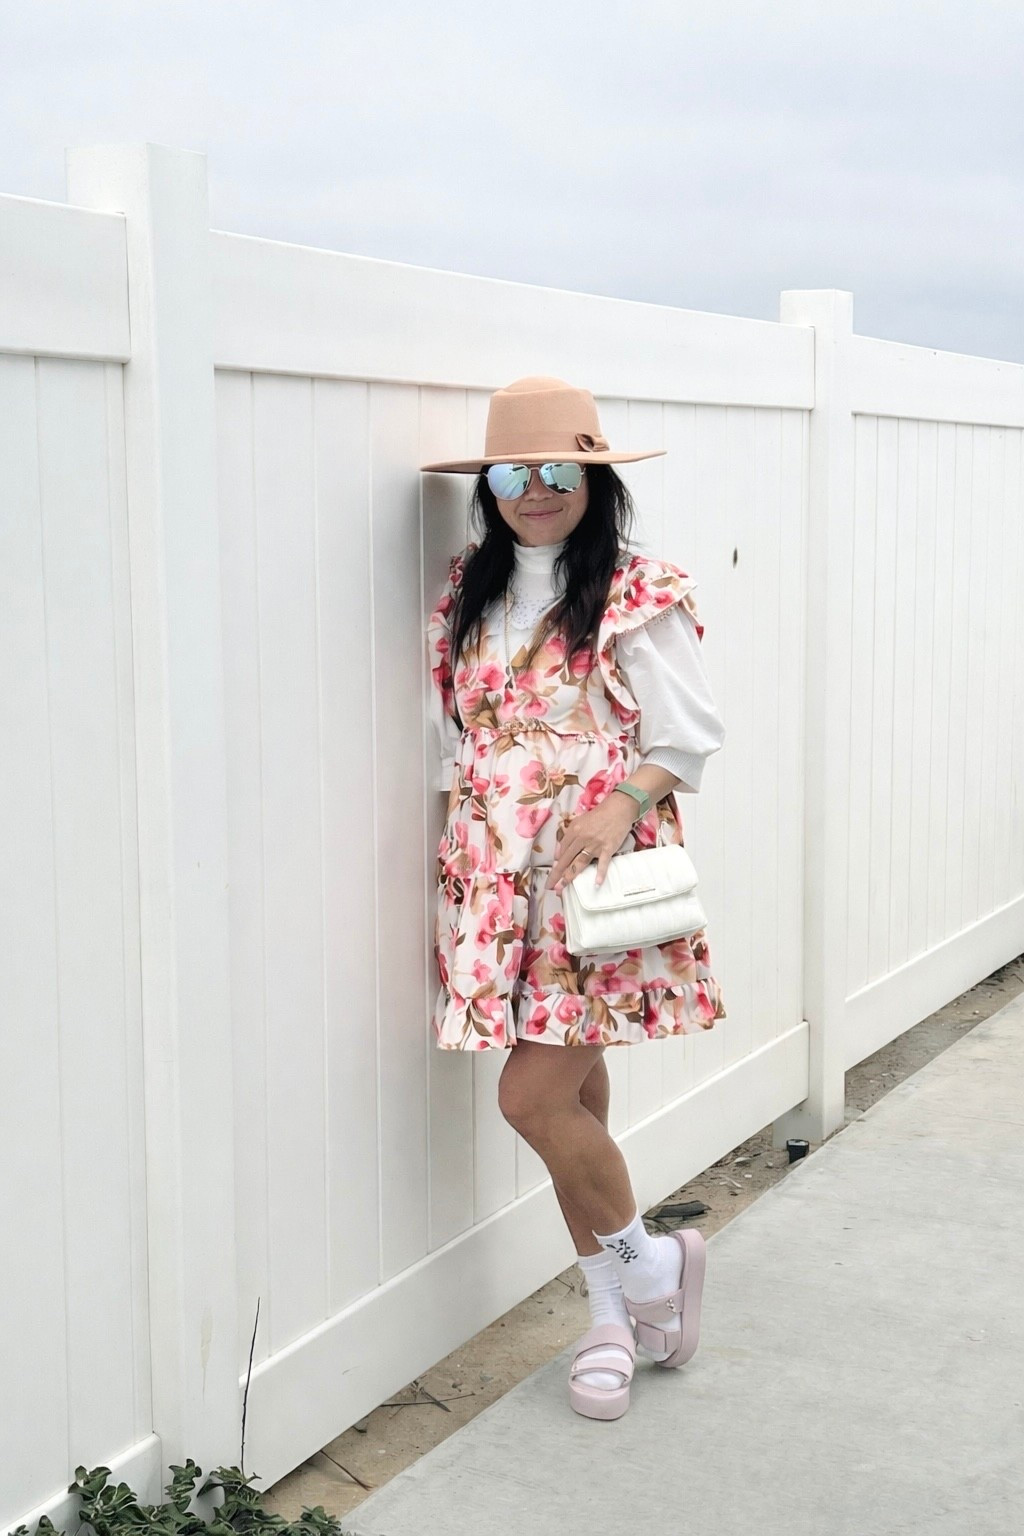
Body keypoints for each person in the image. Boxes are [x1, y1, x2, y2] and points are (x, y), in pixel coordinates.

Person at [422, 376, 726, 1421]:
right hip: (495, 880)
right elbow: (456, 736)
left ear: (592, 480)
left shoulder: (637, 589)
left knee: (532, 1099)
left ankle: (645, 1272)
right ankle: (613, 1310)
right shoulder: (471, 587)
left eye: (560, 470)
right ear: (489, 488)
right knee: (576, 1110)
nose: (536, 490)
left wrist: (614, 807)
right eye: (514, 472)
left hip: (593, 881)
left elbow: (689, 734)